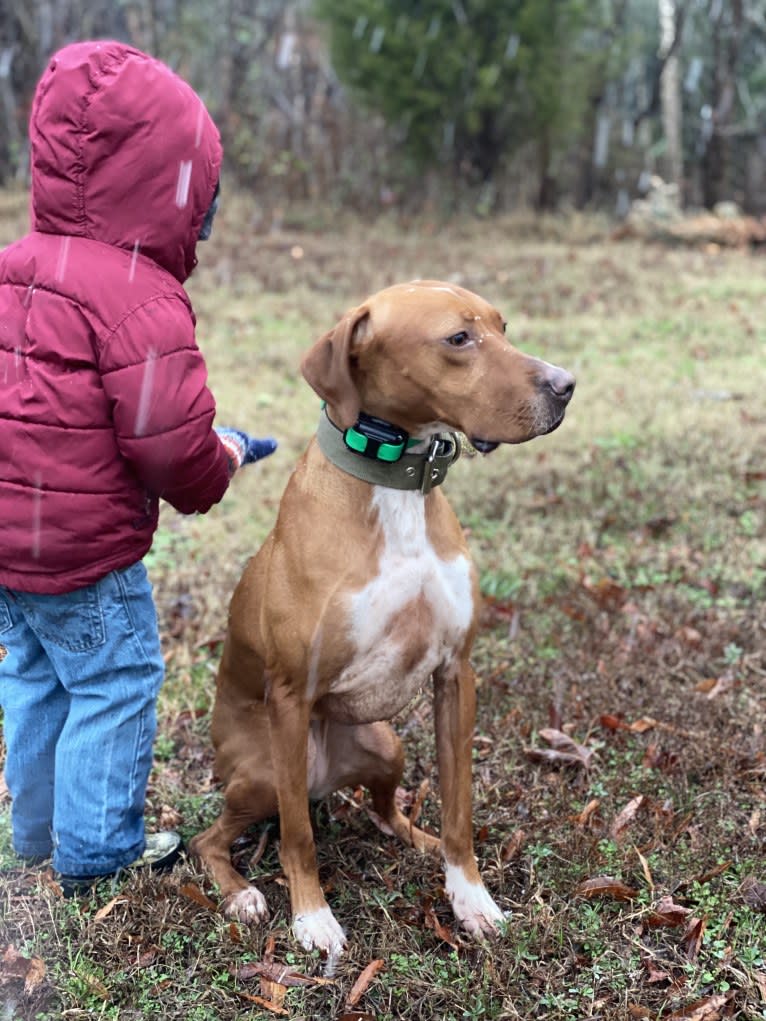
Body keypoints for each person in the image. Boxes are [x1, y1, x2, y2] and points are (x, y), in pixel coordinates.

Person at [0, 40, 275, 895]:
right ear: (171, 184)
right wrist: (220, 457)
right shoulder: (139, 296)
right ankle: (95, 850)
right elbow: (171, 447)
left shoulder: (11, 268)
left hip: (9, 547)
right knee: (113, 682)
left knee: (35, 676)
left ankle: (35, 830)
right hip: (87, 556)